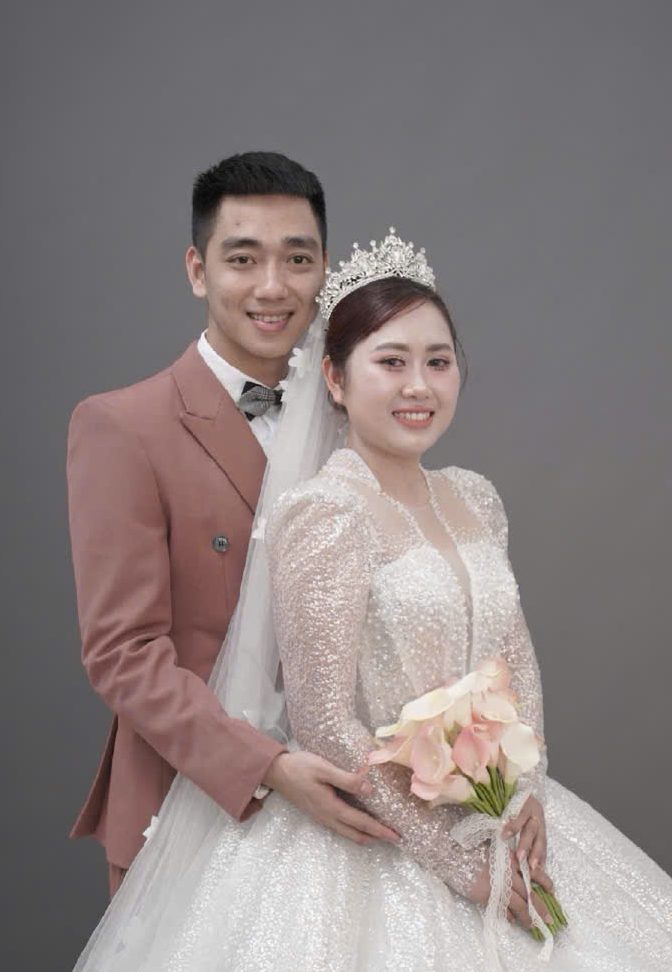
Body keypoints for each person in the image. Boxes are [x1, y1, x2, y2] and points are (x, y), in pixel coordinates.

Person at [74, 231, 672, 971]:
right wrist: (456, 864)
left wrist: (526, 796)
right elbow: (324, 720)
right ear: (335, 378)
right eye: (391, 362)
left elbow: (514, 665)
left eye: (438, 362)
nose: (418, 386)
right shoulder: (325, 512)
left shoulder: (475, 498)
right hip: (378, 834)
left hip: (492, 812)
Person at [67, 152, 397, 898]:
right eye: (243, 259)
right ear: (198, 270)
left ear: (324, 270)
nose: (273, 287)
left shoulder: (363, 417)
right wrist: (267, 766)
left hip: (349, 807)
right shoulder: (122, 426)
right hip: (193, 805)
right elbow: (123, 653)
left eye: (298, 259)